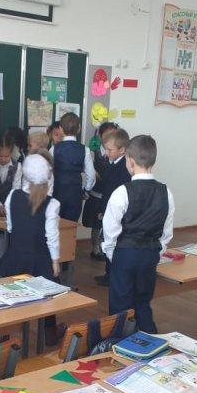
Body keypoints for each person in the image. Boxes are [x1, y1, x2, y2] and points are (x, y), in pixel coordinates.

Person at [102, 134, 174, 332]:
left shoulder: (122, 192)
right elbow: (167, 232)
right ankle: (149, 341)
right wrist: (157, 251)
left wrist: (112, 254)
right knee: (143, 301)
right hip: (150, 254)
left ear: (130, 161)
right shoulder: (166, 192)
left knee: (120, 305)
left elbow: (110, 230)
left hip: (125, 253)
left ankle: (120, 342)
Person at [0, 153, 60, 281]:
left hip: (14, 258)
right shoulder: (52, 204)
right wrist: (55, 261)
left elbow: (10, 227)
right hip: (40, 262)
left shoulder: (13, 195)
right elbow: (52, 237)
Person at [95, 128, 132, 286]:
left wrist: (106, 211)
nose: (107, 153)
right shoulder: (112, 163)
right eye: (106, 149)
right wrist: (102, 210)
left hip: (117, 212)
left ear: (122, 150)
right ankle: (108, 273)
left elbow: (115, 193)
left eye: (110, 150)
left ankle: (112, 275)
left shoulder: (124, 168)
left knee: (113, 241)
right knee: (107, 240)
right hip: (108, 209)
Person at [83, 122, 118, 260]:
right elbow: (86, 166)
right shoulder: (94, 150)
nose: (111, 137)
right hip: (98, 192)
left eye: (114, 133)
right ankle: (95, 249)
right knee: (97, 223)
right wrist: (92, 170)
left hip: (112, 193)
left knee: (110, 223)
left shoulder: (118, 151)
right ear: (100, 135)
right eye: (108, 134)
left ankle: (106, 247)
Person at [51, 112, 95, 222]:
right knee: (71, 225)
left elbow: (47, 171)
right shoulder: (85, 150)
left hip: (57, 191)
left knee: (54, 224)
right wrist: (86, 190)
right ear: (79, 128)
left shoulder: (54, 149)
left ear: (60, 129)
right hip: (75, 193)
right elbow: (91, 175)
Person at [0, 138, 23, 216]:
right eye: (0, 156)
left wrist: (7, 205)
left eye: (6, 156)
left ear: (11, 154)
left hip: (10, 205)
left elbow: (16, 188)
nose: (3, 159)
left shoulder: (17, 166)